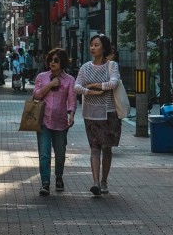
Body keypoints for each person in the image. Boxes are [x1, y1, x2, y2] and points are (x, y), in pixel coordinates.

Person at [75, 35, 122, 196]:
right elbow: (76, 87)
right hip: (91, 114)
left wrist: (95, 85)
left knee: (107, 148)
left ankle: (104, 180)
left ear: (104, 48)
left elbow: (113, 83)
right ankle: (95, 182)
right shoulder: (85, 67)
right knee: (94, 148)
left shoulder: (112, 66)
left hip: (109, 113)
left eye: (96, 45)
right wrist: (91, 91)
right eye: (91, 45)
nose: (93, 48)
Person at [31, 48, 76, 196]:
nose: (52, 63)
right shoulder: (42, 77)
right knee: (44, 153)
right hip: (43, 121)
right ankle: (45, 183)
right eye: (50, 60)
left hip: (61, 122)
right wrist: (50, 84)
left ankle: (58, 177)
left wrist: (71, 113)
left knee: (60, 153)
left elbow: (71, 100)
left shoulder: (69, 80)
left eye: (56, 60)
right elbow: (36, 95)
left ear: (62, 62)